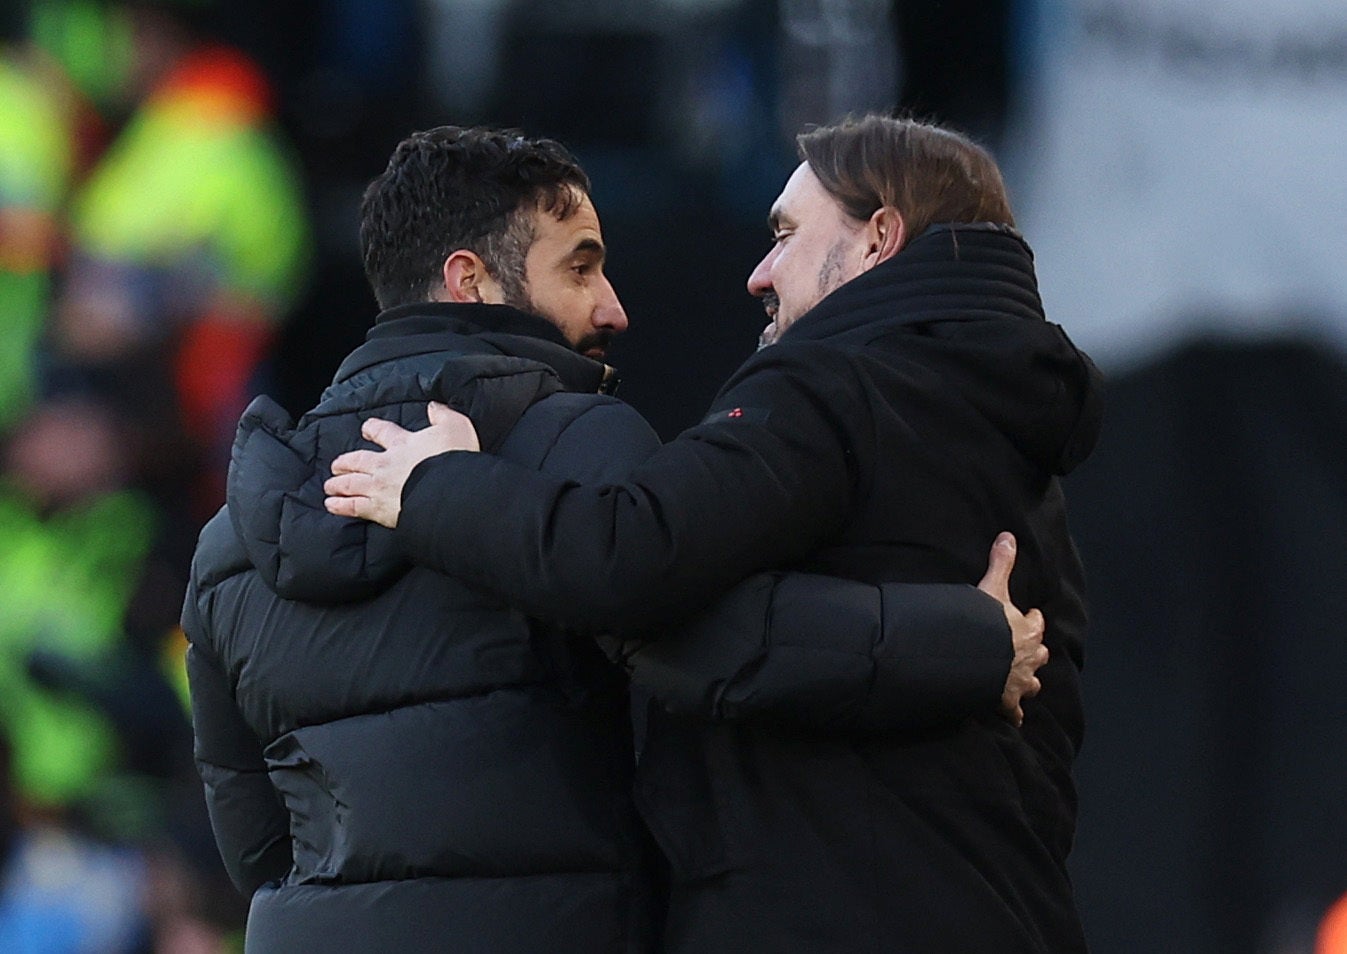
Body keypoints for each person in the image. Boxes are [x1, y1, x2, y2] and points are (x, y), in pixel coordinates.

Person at [184, 125, 1044, 953]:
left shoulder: (229, 542)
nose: (614, 309)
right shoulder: (571, 445)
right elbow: (711, 643)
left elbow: (257, 851)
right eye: (581, 267)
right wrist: (967, 643)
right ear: (470, 279)